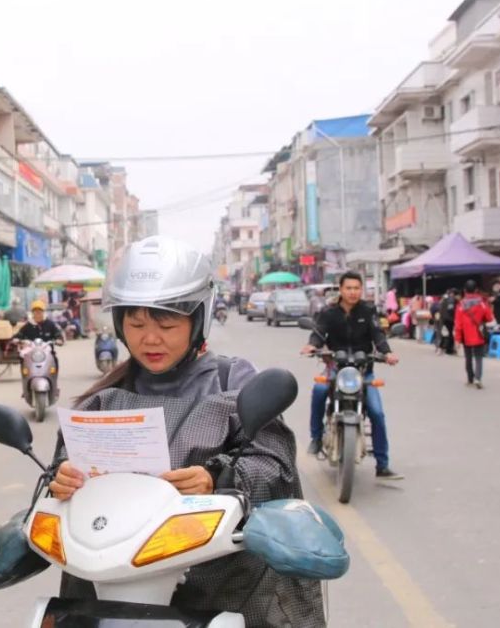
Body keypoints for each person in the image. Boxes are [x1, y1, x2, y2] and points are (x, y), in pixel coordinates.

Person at [50, 236, 323, 626]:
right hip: (115, 579)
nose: (150, 338)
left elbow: (274, 466)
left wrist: (218, 477)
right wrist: (62, 479)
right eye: (137, 323)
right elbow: (60, 473)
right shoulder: (103, 399)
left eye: (166, 323)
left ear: (198, 319)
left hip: (220, 584)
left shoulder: (234, 381)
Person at [301, 271, 403, 480]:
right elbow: (318, 333)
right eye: (349, 288)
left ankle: (382, 465)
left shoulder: (368, 310)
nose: (353, 292)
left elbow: (378, 335)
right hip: (335, 368)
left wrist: (387, 353)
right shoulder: (328, 312)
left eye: (357, 288)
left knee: (376, 412)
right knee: (319, 390)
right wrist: (312, 346)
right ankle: (316, 438)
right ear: (341, 289)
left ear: (361, 290)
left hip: (363, 370)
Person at [455, 279, 495, 389]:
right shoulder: (482, 303)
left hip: (465, 335)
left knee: (468, 357)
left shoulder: (461, 305)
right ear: (476, 290)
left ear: (464, 290)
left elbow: (458, 324)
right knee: (478, 358)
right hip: (478, 333)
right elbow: (489, 317)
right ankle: (478, 378)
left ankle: (470, 379)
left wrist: (457, 339)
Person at [436, 288, 458, 355]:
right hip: (450, 319)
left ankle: (441, 348)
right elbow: (451, 310)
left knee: (444, 334)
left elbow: (440, 309)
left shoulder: (444, 300)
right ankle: (448, 349)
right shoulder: (452, 300)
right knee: (449, 334)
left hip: (443, 319)